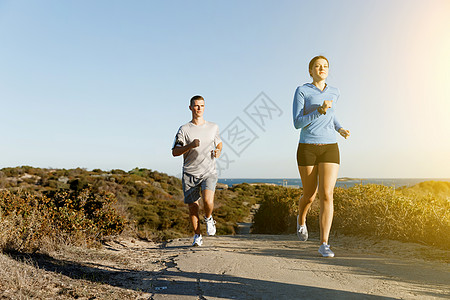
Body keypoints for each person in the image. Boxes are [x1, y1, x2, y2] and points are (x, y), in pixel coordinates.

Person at [292, 55, 350, 257]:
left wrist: (340, 128)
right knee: (310, 195)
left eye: (325, 66)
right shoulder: (302, 91)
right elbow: (297, 123)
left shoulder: (335, 92)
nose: (321, 68)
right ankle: (301, 219)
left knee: (327, 194)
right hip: (307, 147)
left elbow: (332, 115)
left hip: (330, 146)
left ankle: (324, 243)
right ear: (311, 71)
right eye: (317, 66)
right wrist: (319, 110)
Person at [172, 95, 223, 247]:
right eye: (196, 105)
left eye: (202, 105)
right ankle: (197, 235)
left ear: (204, 107)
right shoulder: (184, 129)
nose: (199, 108)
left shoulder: (213, 127)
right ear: (190, 108)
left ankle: (208, 218)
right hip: (190, 173)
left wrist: (218, 152)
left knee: (208, 201)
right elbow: (175, 151)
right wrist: (190, 146)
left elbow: (219, 144)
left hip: (209, 171)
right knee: (193, 207)